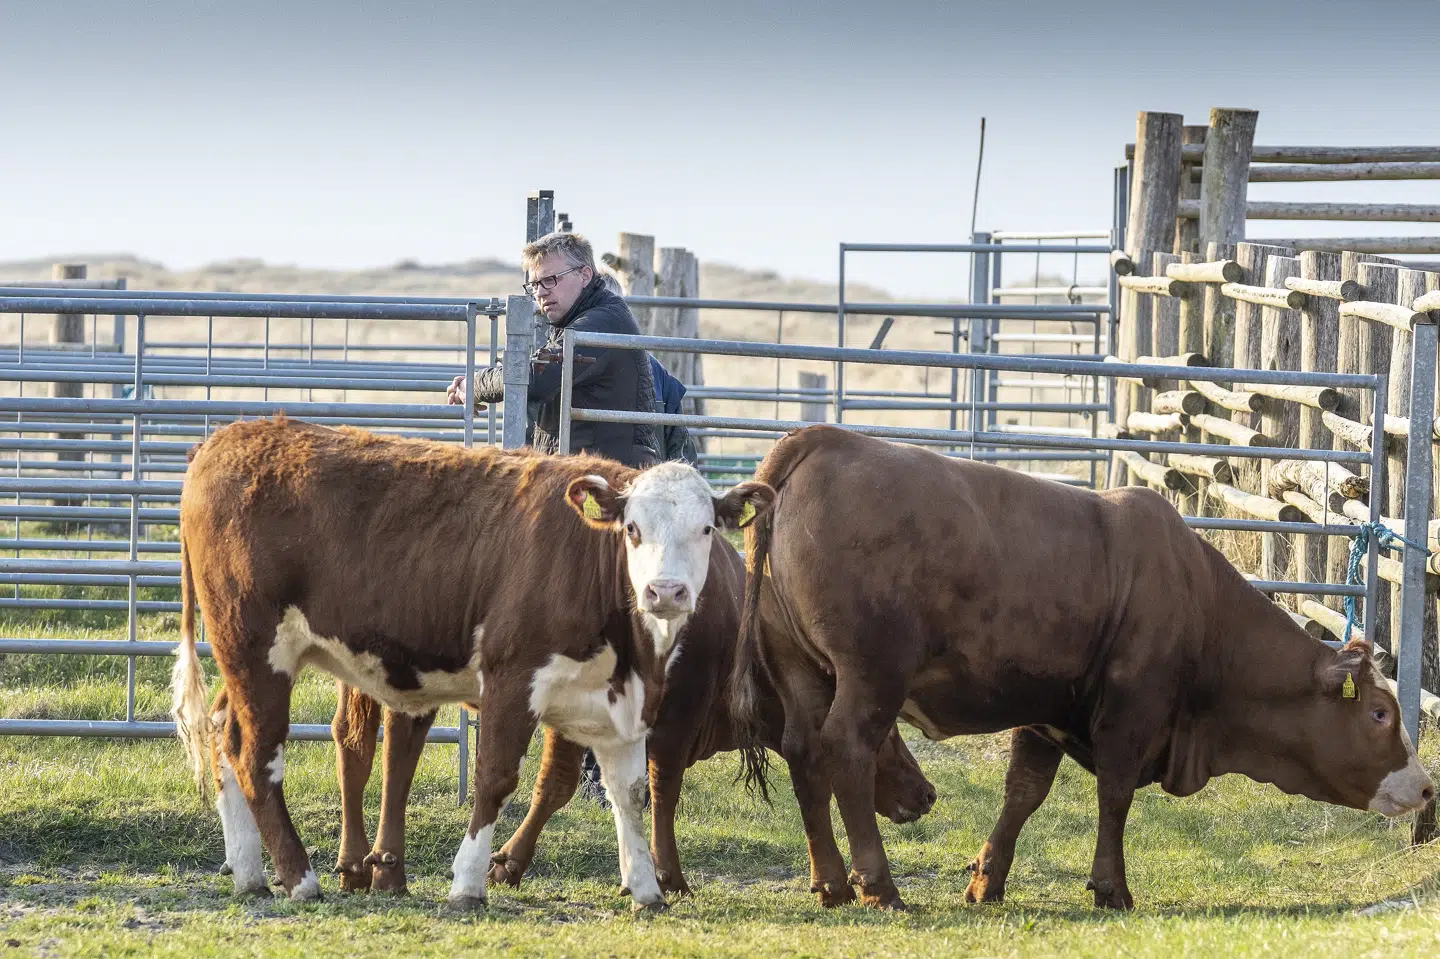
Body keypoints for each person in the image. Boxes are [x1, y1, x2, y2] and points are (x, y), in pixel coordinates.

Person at [447, 231, 660, 466]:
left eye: (550, 280)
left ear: (585, 275)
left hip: (607, 479)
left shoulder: (601, 321)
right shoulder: (575, 319)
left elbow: (536, 378)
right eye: (534, 284)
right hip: (585, 468)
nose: (540, 292)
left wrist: (474, 385)